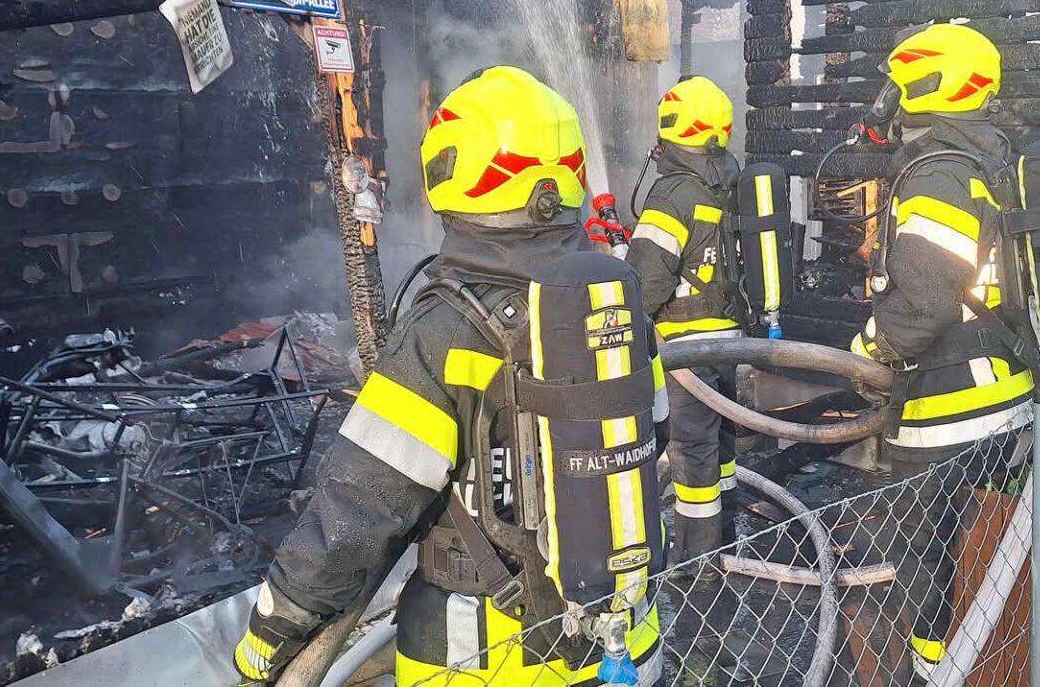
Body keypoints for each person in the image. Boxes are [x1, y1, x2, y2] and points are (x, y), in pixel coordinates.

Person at [232, 66, 669, 686]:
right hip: (625, 640)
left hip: (490, 656)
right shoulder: (615, 301)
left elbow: (361, 501)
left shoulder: (443, 327)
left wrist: (275, 624)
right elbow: (656, 433)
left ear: (452, 174)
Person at [848, 23, 1032, 681]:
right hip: (1000, 387)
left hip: (949, 403)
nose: (891, 104)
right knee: (966, 547)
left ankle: (927, 671)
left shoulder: (938, 176)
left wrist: (866, 349)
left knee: (922, 554)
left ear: (932, 85)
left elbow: (922, 307)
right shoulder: (989, 159)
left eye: (900, 88)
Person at [626, 76, 741, 566]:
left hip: (683, 348)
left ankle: (698, 563)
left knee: (692, 454)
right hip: (730, 342)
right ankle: (729, 534)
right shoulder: (725, 184)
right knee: (723, 446)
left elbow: (645, 284)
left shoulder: (671, 194)